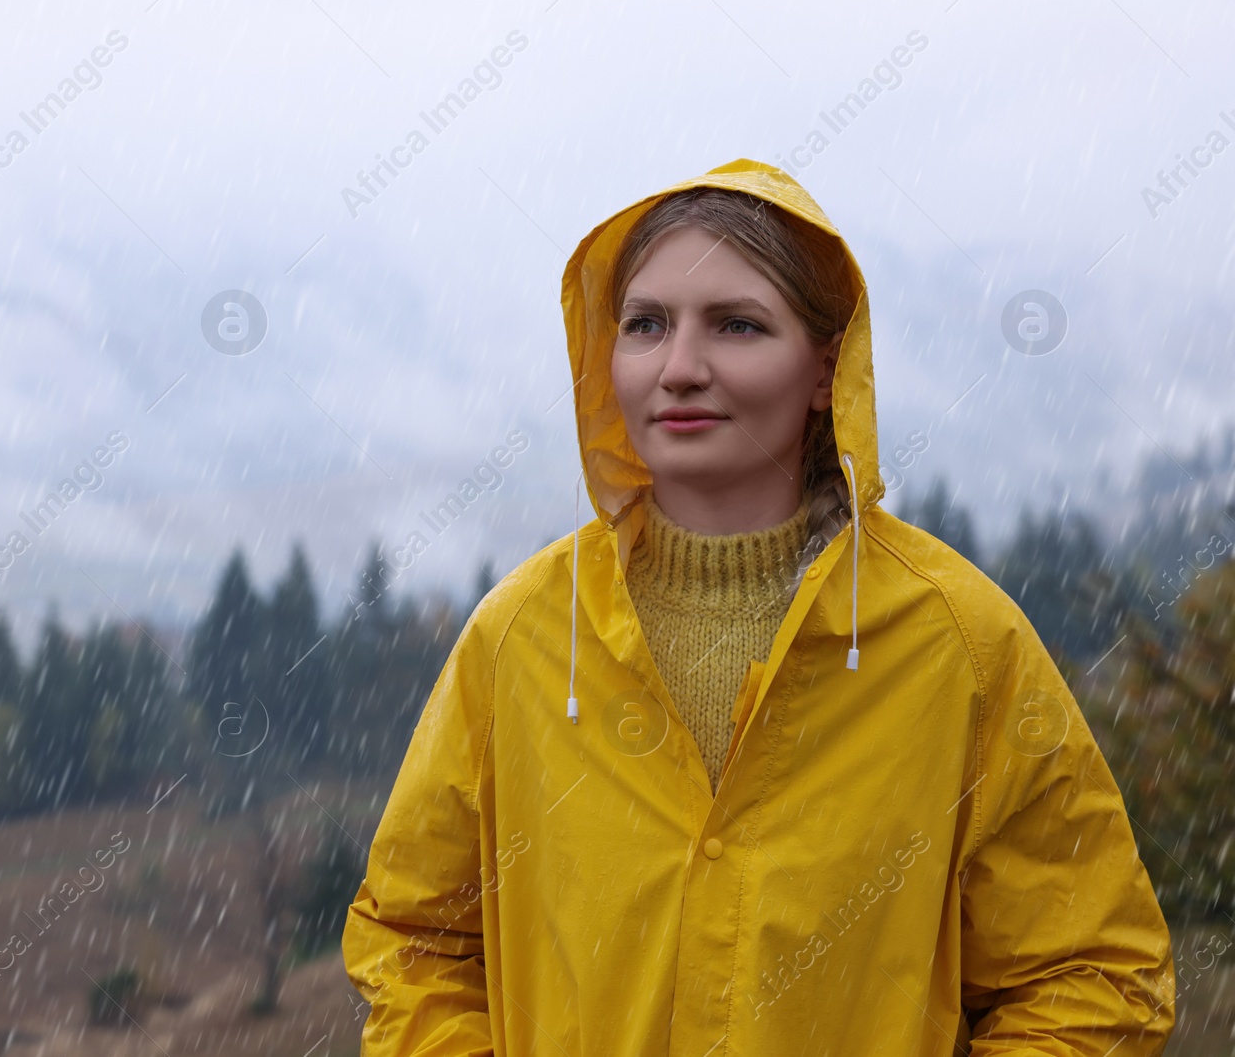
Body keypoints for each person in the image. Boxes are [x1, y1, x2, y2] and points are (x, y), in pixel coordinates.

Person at [341, 159, 1175, 1054]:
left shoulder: (957, 641)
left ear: (826, 368)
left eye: (737, 325)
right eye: (645, 325)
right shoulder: (521, 638)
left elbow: (1092, 973)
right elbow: (414, 940)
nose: (680, 367)